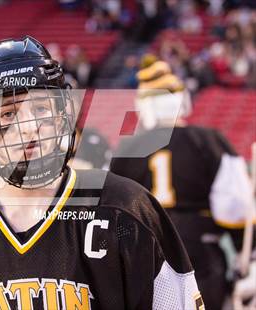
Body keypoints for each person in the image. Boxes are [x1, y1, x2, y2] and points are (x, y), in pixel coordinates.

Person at [0, 36, 203, 309]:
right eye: (8, 112)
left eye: (39, 108)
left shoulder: (128, 209)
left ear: (62, 113)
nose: (28, 127)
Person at [110, 57, 256, 309]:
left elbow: (113, 211)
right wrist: (246, 251)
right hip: (199, 251)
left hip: (142, 255)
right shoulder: (208, 141)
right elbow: (234, 209)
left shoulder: (126, 149)